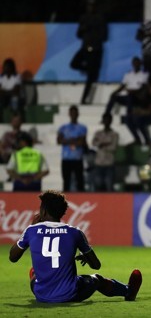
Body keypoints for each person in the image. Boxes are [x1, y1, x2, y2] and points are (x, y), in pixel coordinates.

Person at [9, 190, 142, 303]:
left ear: (43, 211)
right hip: (70, 294)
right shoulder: (75, 232)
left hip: (41, 295)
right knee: (97, 279)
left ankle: (43, 284)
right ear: (62, 212)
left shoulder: (31, 230)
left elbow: (13, 257)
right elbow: (96, 265)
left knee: (35, 272)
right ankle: (128, 291)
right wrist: (86, 257)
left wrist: (30, 228)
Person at [70, 0, 108, 105]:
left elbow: (104, 36)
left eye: (92, 5)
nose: (90, 7)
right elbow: (78, 34)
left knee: (91, 77)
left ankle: (84, 99)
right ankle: (86, 69)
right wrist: (83, 28)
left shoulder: (100, 18)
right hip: (85, 48)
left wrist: (94, 34)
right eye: (89, 5)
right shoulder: (84, 18)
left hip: (95, 49)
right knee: (73, 63)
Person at [57, 106, 87, 192]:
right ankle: (65, 201)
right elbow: (59, 140)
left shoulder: (82, 127)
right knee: (66, 181)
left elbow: (81, 142)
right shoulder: (63, 127)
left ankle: (81, 199)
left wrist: (67, 140)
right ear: (69, 114)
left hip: (77, 158)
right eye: (72, 113)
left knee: (79, 181)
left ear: (78, 114)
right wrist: (74, 140)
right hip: (66, 158)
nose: (73, 115)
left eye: (75, 113)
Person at [91, 113, 119, 192]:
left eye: (108, 120)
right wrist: (106, 143)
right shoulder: (98, 133)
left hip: (109, 164)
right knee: (98, 185)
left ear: (111, 121)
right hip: (98, 163)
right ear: (103, 121)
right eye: (105, 120)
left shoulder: (114, 134)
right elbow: (94, 143)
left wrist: (101, 144)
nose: (106, 121)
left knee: (109, 186)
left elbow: (113, 147)